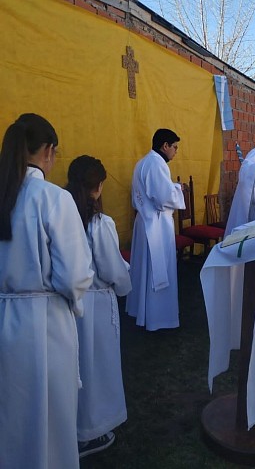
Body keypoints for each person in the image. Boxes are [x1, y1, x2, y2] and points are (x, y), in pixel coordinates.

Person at [0, 113, 93, 469]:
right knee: (49, 417)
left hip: (4, 318)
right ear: (49, 151)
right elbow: (73, 276)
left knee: (11, 415)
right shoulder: (52, 198)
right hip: (44, 323)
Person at [66, 155, 132, 458]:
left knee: (75, 365)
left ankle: (72, 425)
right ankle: (92, 428)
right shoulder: (100, 224)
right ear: (99, 187)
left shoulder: (62, 218)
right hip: (95, 302)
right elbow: (111, 269)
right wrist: (123, 284)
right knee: (96, 366)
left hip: (68, 304)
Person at [126, 128, 185, 331]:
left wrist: (172, 188)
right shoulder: (156, 164)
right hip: (156, 226)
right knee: (157, 271)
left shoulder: (143, 162)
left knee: (144, 269)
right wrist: (178, 190)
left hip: (145, 222)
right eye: (174, 147)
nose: (176, 151)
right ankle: (157, 317)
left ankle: (141, 311)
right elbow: (163, 197)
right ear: (165, 146)